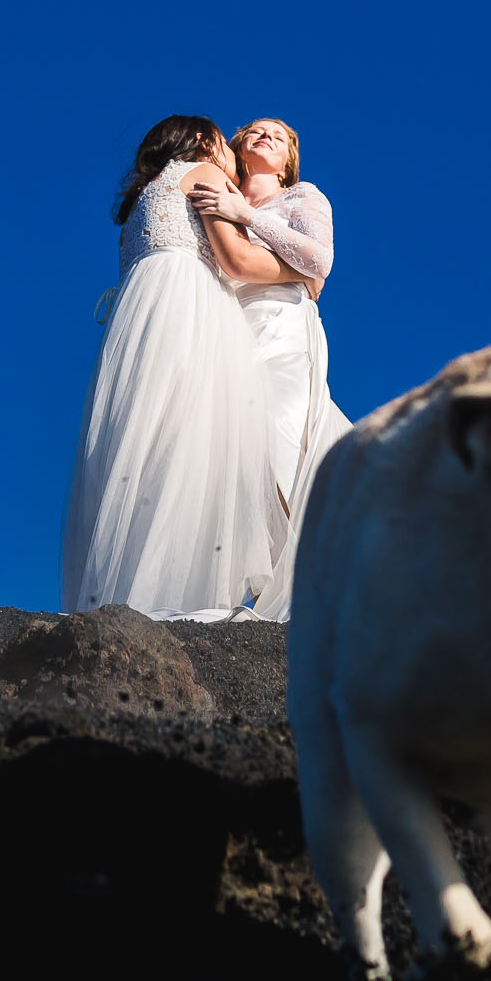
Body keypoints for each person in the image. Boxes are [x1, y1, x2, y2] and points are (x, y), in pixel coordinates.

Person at [59, 115, 316, 617]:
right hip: (187, 306)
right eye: (225, 142)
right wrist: (300, 272)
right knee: (198, 443)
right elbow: (238, 261)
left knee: (142, 446)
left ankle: (123, 595)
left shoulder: (139, 204)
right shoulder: (204, 173)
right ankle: (181, 596)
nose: (231, 156)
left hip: (136, 319)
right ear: (204, 142)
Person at [185, 117, 353, 621]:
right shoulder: (215, 196)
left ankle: (297, 594)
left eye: (277, 137)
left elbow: (318, 261)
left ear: (288, 161)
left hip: (280, 328)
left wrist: (248, 216)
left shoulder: (304, 197)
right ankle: (235, 587)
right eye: (256, 132)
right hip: (225, 328)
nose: (265, 137)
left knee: (275, 445)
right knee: (225, 453)